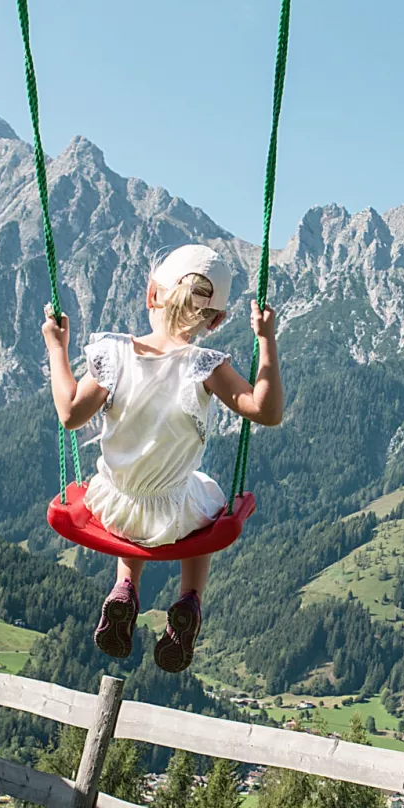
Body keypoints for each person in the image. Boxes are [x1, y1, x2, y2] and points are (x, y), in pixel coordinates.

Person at [42, 244, 283, 672]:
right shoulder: (207, 365)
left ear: (151, 293)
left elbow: (70, 414)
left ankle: (124, 587)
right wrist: (266, 341)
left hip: (111, 506)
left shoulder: (111, 356)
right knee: (206, 491)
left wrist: (58, 348)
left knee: (134, 489)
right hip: (176, 518)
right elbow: (266, 412)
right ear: (217, 321)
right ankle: (190, 598)